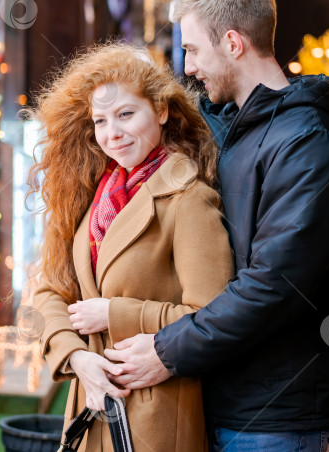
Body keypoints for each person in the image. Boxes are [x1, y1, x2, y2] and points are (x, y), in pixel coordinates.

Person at [104, 0, 329, 452]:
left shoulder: (310, 143)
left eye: (192, 49)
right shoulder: (228, 130)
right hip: (221, 396)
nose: (188, 67)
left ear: (232, 42)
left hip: (273, 416)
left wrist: (165, 350)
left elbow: (274, 287)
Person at [30, 43, 234, 451]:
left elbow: (213, 318)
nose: (113, 133)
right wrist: (77, 358)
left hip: (154, 415)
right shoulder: (91, 193)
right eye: (100, 120)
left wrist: (114, 314)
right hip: (91, 402)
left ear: (161, 110)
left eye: (126, 114)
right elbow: (50, 290)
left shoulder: (189, 198)